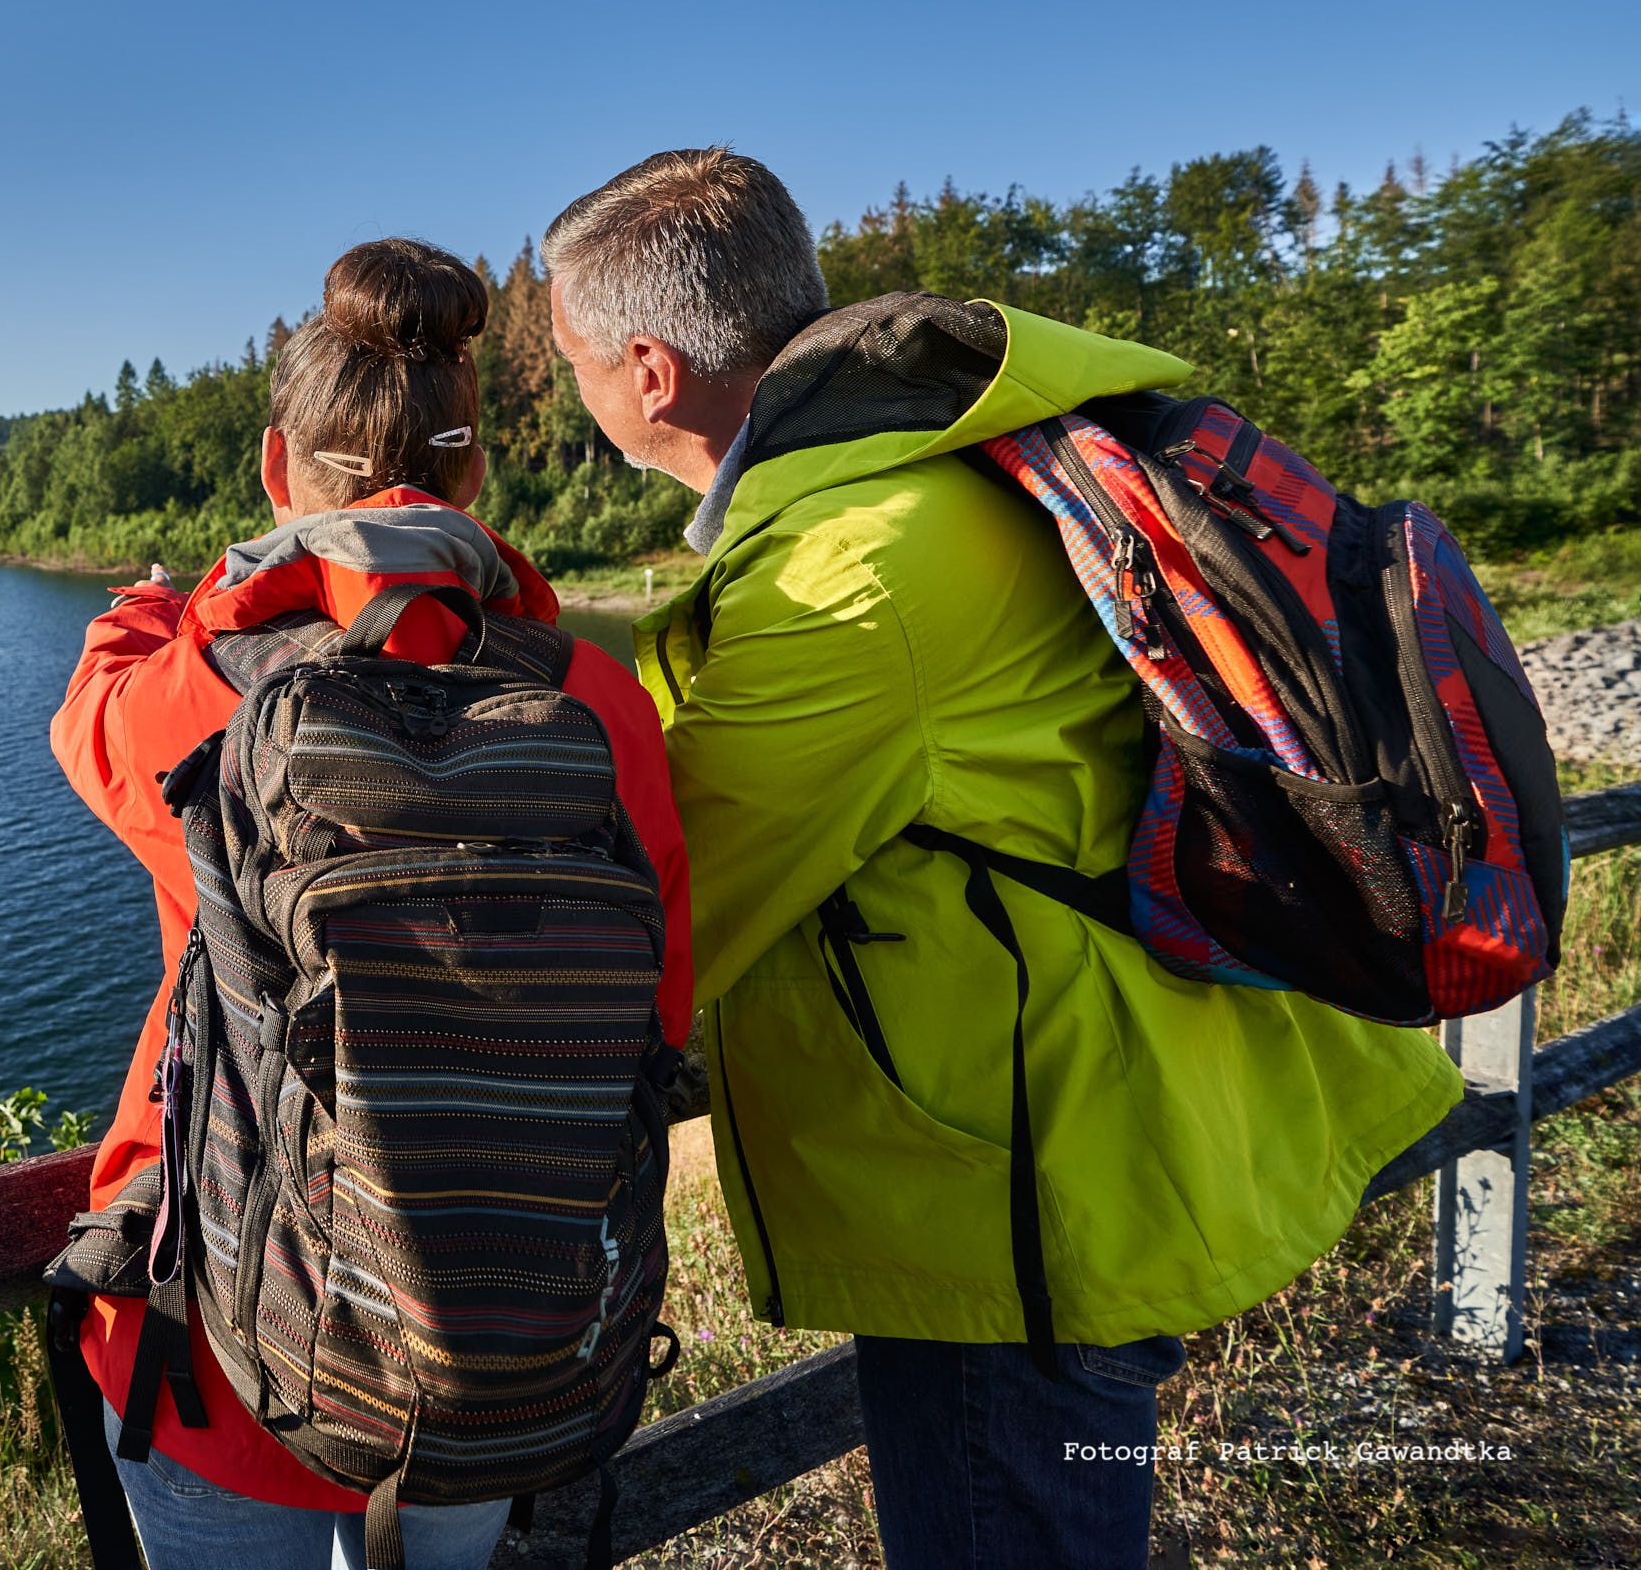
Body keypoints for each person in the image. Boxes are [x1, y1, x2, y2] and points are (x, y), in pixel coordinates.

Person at [537, 148, 1463, 1568]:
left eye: (572, 359)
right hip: (1125, 1112)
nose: (572, 391)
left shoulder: (846, 578)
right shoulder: (949, 472)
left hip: (1018, 1189)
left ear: (648, 373)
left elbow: (671, 916)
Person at [49, 238, 697, 1570]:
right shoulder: (599, 705)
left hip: (221, 1344)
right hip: (492, 1357)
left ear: (278, 471)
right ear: (477, 474)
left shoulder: (203, 689)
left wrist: (152, 601)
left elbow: (86, 726)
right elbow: (661, 1009)